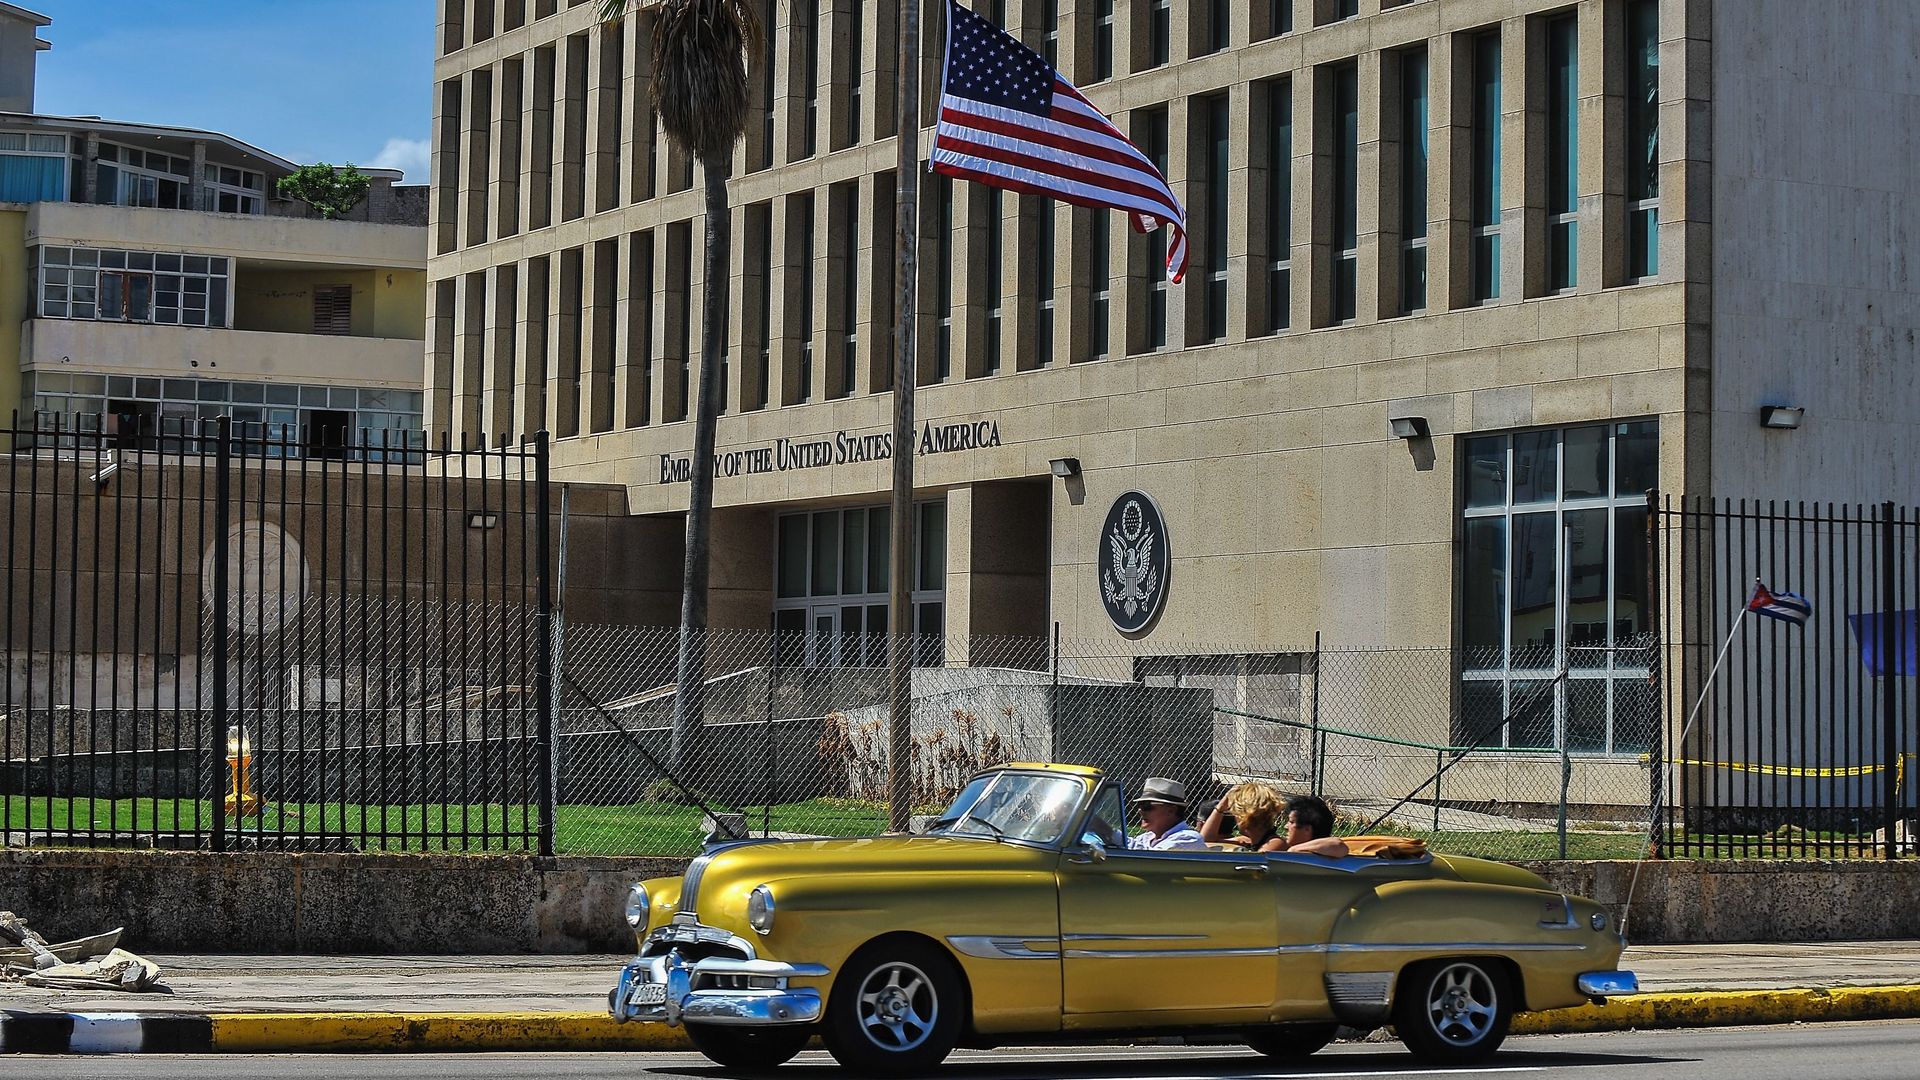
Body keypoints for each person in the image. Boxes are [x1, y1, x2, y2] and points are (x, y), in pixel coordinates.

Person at [1202, 785, 1350, 857]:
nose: (1234, 817)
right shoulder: (1248, 841)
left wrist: (1292, 850)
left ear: (1245, 815)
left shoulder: (1274, 846)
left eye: (1236, 811)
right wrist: (1221, 806)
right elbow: (1204, 842)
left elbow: (1338, 844)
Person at [1201, 782, 1287, 850]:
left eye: (1236, 813)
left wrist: (1221, 809)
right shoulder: (1250, 840)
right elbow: (1205, 843)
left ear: (1244, 815)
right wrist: (1220, 808)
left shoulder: (1274, 844)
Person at [1127, 777, 1207, 850]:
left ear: (1171, 810)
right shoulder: (1146, 838)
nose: (1140, 810)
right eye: (1140, 805)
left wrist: (1117, 836)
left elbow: (1153, 859)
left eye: (1147, 806)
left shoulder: (1189, 838)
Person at [1279, 794, 1350, 858]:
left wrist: (1294, 850)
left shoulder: (1325, 854)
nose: (1285, 827)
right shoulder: (1281, 845)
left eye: (1291, 822)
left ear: (1307, 829)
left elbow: (1338, 845)